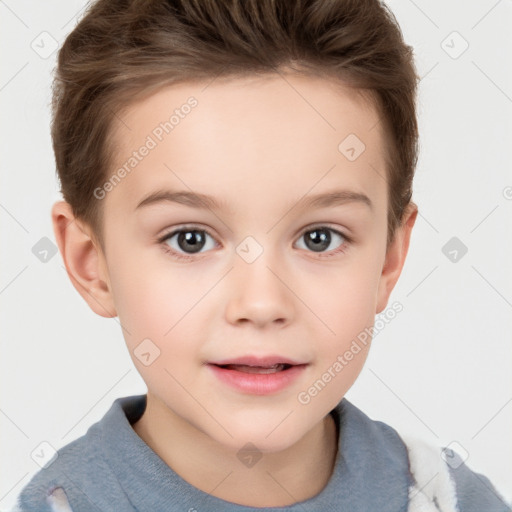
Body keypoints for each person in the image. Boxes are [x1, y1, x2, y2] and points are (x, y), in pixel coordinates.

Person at [12, 0, 510, 510]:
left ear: (388, 259)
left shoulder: (448, 499)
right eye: (190, 239)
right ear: (90, 263)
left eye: (319, 237)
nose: (261, 302)